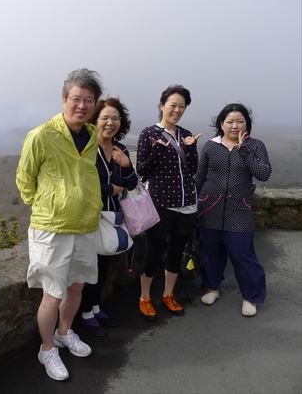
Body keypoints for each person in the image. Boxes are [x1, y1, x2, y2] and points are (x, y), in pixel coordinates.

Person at [16, 68, 103, 381]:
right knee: (52, 294)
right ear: (65, 99)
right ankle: (47, 348)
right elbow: (24, 178)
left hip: (85, 224)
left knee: (76, 285)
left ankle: (66, 332)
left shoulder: (91, 135)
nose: (82, 105)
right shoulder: (41, 135)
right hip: (51, 227)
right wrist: (46, 204)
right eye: (76, 99)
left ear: (94, 105)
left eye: (88, 101)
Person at [195, 103, 271, 317]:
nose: (235, 126)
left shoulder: (255, 145)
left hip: (240, 210)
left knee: (242, 254)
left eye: (240, 121)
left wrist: (243, 150)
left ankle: (251, 296)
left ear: (247, 124)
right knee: (210, 252)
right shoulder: (211, 146)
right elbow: (200, 177)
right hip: (209, 208)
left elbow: (264, 173)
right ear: (221, 124)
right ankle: (211, 288)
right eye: (230, 121)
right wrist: (190, 200)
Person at [136, 84, 201, 320]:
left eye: (182, 106)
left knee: (176, 252)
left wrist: (191, 149)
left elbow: (192, 169)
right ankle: (144, 297)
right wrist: (156, 152)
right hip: (161, 203)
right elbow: (141, 170)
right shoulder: (149, 133)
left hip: (187, 204)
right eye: (172, 105)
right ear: (162, 105)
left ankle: (168, 294)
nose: (177, 110)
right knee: (153, 253)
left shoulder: (186, 134)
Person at [79, 97, 138, 337]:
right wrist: (109, 189)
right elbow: (82, 184)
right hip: (91, 217)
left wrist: (126, 165)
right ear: (95, 120)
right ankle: (85, 313)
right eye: (105, 118)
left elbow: (132, 184)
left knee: (105, 265)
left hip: (113, 217)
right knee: (91, 268)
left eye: (115, 118)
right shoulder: (86, 149)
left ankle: (95, 308)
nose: (110, 123)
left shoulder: (121, 149)